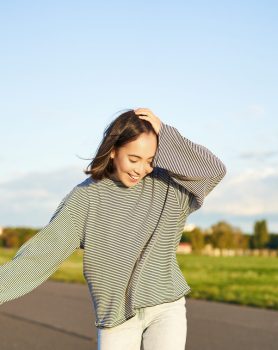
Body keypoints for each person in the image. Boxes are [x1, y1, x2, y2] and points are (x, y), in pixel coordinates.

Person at [0, 108, 227, 350]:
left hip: (166, 307)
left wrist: (165, 132)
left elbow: (214, 170)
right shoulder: (86, 199)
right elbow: (40, 255)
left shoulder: (169, 187)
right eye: (133, 159)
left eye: (150, 161)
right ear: (113, 151)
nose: (140, 169)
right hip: (115, 317)